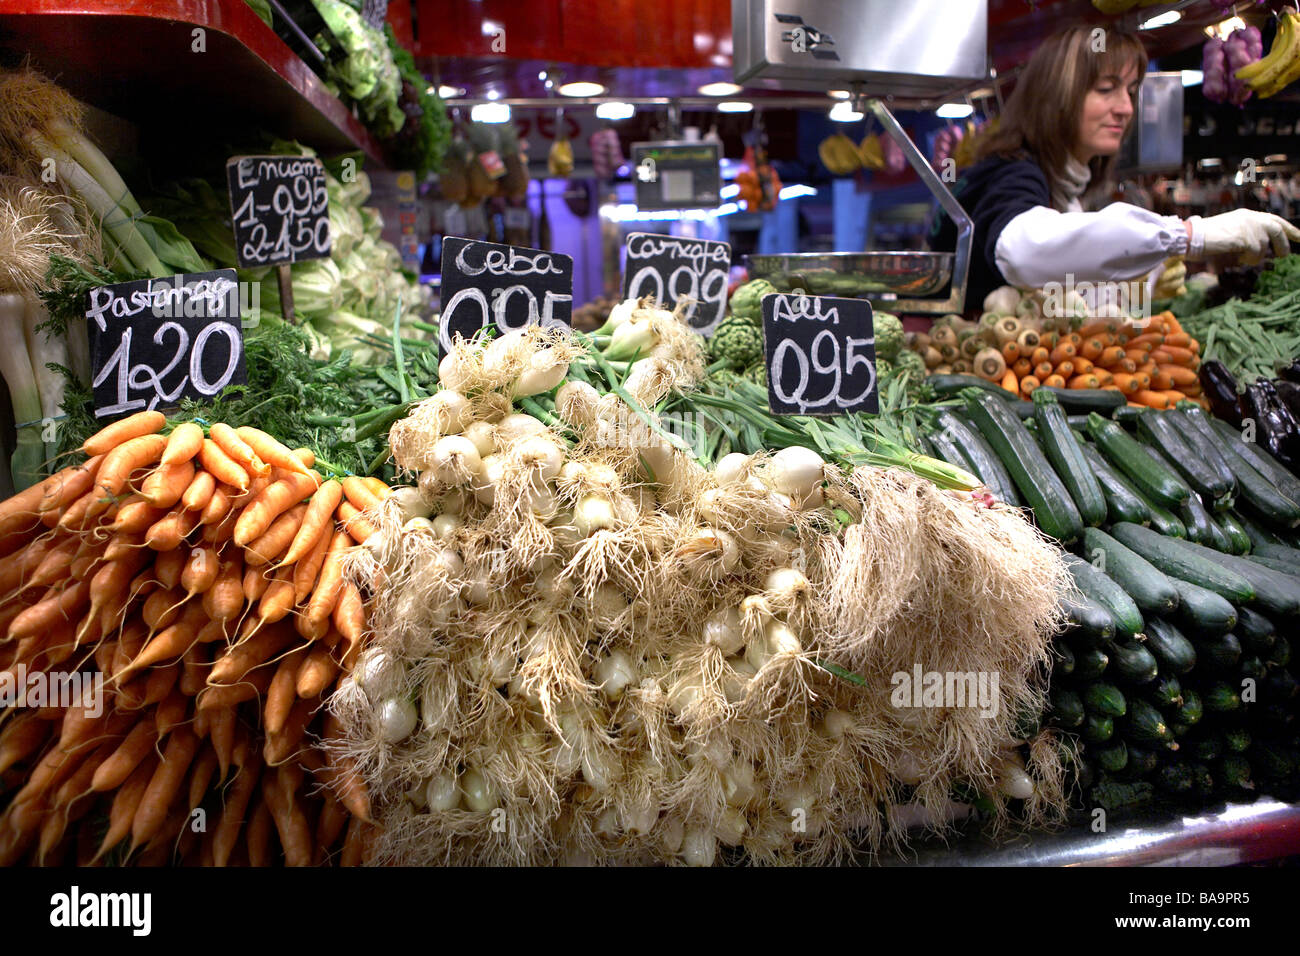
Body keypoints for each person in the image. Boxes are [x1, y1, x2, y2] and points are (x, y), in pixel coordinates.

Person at [931, 24, 1300, 312]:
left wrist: (1140, 282)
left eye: (1130, 89)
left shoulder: (1060, 182)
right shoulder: (1012, 172)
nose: (1125, 107)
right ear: (1058, 97)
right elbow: (1019, 250)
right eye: (1107, 88)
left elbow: (1062, 286)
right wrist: (1190, 234)